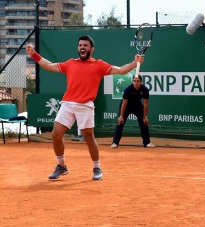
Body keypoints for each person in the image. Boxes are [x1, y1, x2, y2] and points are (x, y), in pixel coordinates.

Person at [26, 35, 144, 181]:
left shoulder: (99, 65)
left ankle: (97, 167)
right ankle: (61, 166)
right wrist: (33, 54)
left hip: (86, 105)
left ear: (91, 49)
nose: (82, 47)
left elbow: (120, 70)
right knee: (56, 134)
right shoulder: (70, 63)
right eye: (80, 45)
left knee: (89, 137)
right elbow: (48, 66)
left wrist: (135, 62)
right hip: (68, 104)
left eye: (86, 45)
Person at [111, 75, 156, 149]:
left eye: (138, 81)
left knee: (144, 122)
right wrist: (121, 116)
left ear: (141, 82)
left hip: (137, 105)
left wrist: (145, 116)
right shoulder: (128, 89)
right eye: (134, 81)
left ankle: (147, 143)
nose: (136, 83)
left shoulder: (145, 90)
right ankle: (115, 143)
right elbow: (124, 103)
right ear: (132, 81)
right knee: (120, 122)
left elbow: (145, 104)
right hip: (126, 106)